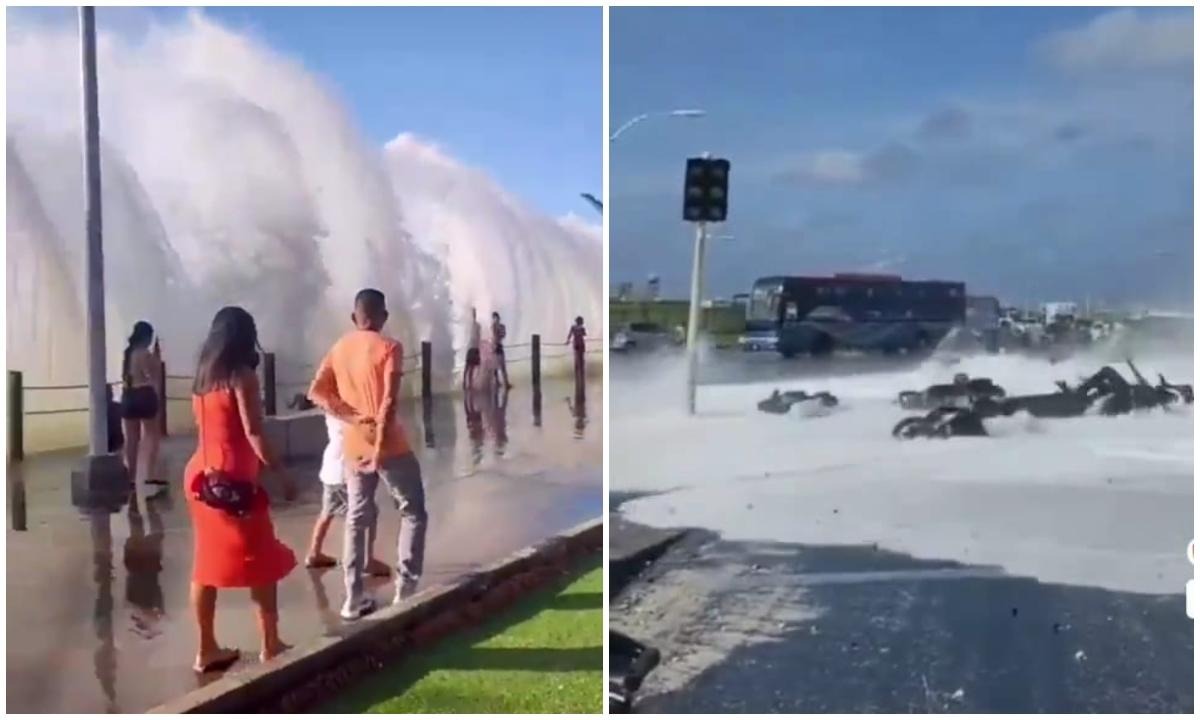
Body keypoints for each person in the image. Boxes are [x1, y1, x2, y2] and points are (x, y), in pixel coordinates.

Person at [184, 306, 297, 673]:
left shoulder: (203, 378)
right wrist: (281, 472)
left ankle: (205, 649)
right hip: (233, 483)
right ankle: (270, 644)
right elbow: (253, 432)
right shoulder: (241, 376)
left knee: (205, 564)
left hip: (201, 477)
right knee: (260, 558)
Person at [309, 289, 428, 620]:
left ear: (354, 318)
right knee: (413, 511)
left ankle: (353, 597)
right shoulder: (390, 347)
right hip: (387, 445)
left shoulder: (339, 347)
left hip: (354, 445)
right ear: (383, 316)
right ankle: (406, 588)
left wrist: (348, 416)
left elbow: (316, 392)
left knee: (356, 517)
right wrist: (378, 450)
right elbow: (388, 403)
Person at [305, 413, 391, 578]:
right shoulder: (350, 409)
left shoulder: (331, 407)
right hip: (346, 469)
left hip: (330, 467)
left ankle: (314, 553)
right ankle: (367, 560)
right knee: (368, 512)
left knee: (327, 511)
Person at [120, 321, 164, 486]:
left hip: (128, 395)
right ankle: (150, 475)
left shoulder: (128, 353)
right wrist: (156, 359)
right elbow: (152, 376)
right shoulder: (144, 354)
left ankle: (131, 477)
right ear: (146, 336)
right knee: (152, 435)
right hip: (144, 394)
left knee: (131, 439)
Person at [491, 311, 512, 389]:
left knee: (502, 366)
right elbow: (496, 333)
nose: (495, 319)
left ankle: (506, 383)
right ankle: (497, 382)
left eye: (496, 317)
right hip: (495, 346)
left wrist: (500, 333)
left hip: (498, 346)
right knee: (495, 366)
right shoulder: (494, 326)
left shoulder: (501, 326)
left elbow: (502, 335)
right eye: (494, 318)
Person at [463, 307, 482, 392]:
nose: (473, 315)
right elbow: (472, 336)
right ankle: (465, 383)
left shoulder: (477, 325)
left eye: (474, 313)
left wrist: (479, 347)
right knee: (468, 367)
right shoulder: (469, 325)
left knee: (471, 367)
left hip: (474, 347)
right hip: (471, 347)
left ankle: (469, 384)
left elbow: (478, 336)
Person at [567, 316, 587, 386]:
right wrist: (581, 333)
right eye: (581, 321)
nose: (582, 322)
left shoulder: (574, 327)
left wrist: (568, 341)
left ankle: (578, 370)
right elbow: (585, 334)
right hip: (580, 343)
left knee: (577, 356)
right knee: (580, 356)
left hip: (577, 343)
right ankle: (580, 370)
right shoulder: (581, 328)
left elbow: (570, 334)